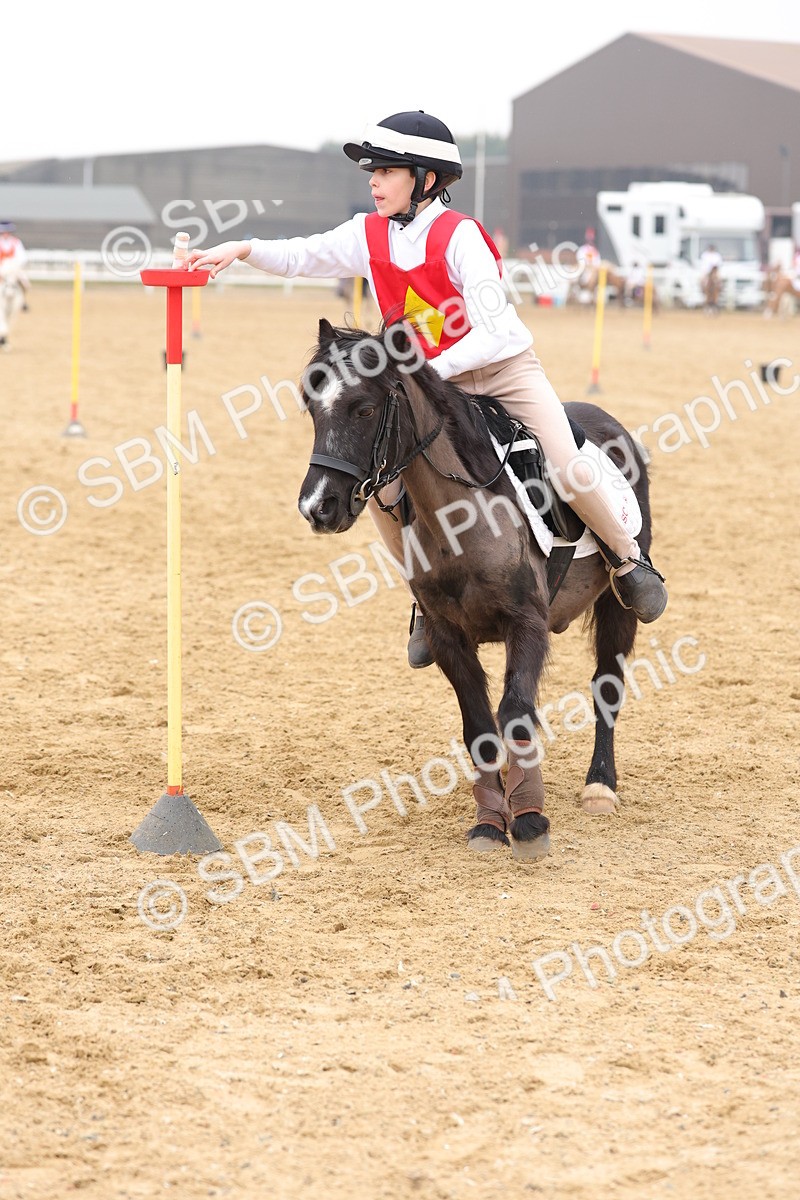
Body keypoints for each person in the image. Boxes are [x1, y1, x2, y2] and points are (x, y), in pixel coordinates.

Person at [188, 111, 667, 667]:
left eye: (386, 170)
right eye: (372, 171)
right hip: (434, 383)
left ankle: (629, 561)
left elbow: (490, 332)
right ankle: (426, 600)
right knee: (385, 492)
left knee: (568, 465)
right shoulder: (368, 233)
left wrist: (426, 374)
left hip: (503, 369)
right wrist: (242, 249)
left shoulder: (460, 235)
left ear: (425, 179)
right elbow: (303, 254)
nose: (373, 181)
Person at [0, 221, 30, 308]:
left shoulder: (16, 242)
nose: (5, 234)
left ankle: (23, 301)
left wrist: (16, 265)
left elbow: (22, 257)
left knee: (25, 283)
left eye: (7, 232)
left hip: (13, 268)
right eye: (3, 232)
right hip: (1, 267)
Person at [698, 243, 723, 313]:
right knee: (703, 281)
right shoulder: (705, 255)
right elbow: (703, 265)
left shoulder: (717, 256)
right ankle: (703, 292)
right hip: (706, 272)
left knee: (719, 281)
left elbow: (718, 265)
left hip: (715, 271)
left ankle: (719, 292)